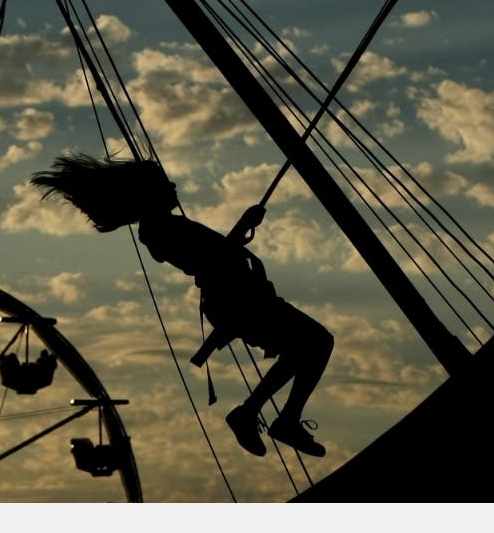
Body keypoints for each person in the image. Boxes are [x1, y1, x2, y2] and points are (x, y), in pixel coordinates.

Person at [31, 153, 333, 458]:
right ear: (148, 194)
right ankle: (274, 417)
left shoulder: (164, 228)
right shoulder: (160, 231)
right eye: (165, 183)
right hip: (239, 302)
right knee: (317, 342)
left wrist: (240, 230)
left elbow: (215, 255)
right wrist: (241, 226)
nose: (173, 185)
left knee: (305, 348)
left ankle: (263, 414)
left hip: (241, 299)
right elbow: (213, 259)